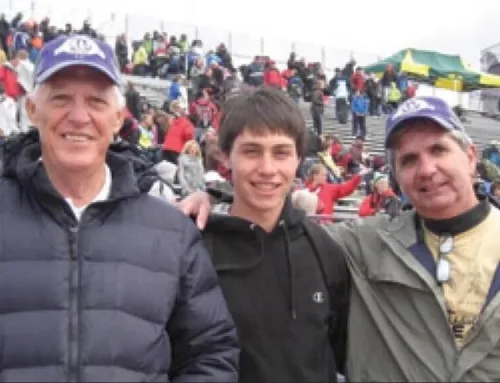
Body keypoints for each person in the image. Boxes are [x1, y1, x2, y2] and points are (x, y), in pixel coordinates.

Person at [0, 34, 238, 382]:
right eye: (61, 98)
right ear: (33, 110)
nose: (78, 116)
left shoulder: (170, 233)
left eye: (96, 102)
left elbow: (210, 352)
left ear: (117, 118)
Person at [179, 87, 350, 383]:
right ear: (225, 157)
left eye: (281, 152)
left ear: (298, 160)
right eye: (251, 151)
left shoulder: (324, 251)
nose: (267, 168)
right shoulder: (193, 248)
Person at [325, 96, 500, 381]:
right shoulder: (365, 245)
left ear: (470, 158)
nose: (427, 170)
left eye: (438, 150)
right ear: (397, 177)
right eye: (409, 160)